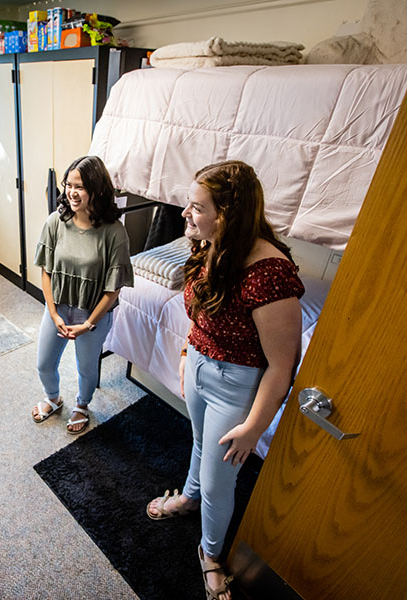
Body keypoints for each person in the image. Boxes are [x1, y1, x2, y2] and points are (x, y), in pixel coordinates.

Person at [145, 161, 304, 600]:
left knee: (221, 480)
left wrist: (254, 429)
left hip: (236, 381)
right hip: (198, 362)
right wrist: (185, 354)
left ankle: (211, 553)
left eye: (196, 208)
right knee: (198, 442)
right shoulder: (210, 244)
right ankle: (189, 498)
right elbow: (200, 313)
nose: (184, 215)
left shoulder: (269, 274)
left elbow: (281, 365)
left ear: (227, 214)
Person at [30, 156, 133, 434]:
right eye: (68, 185)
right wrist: (52, 312)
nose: (71, 193)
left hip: (92, 313)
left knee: (87, 368)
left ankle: (82, 405)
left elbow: (114, 288)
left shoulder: (114, 232)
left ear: (97, 190)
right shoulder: (56, 222)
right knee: (43, 363)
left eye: (80, 187)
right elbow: (46, 271)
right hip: (59, 307)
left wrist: (89, 324)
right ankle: (53, 398)